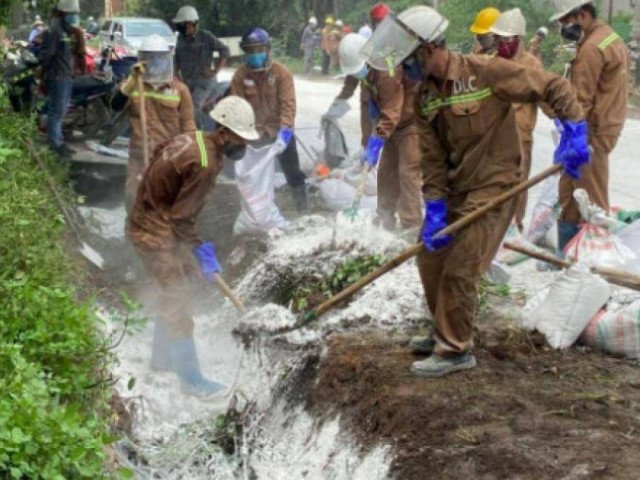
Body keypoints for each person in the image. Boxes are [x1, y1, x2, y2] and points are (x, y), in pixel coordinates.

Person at [363, 6, 587, 377]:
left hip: (495, 184)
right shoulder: (423, 98)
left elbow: (552, 87)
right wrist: (434, 205)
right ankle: (443, 329)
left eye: (407, 60)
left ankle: (456, 349)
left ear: (428, 49)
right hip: (456, 189)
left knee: (462, 264)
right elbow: (432, 160)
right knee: (430, 257)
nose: (403, 70)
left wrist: (575, 128)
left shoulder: (484, 71)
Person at [127, 96, 259, 396]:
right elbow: (182, 218)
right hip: (155, 230)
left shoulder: (195, 139)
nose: (244, 146)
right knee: (177, 298)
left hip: (151, 219)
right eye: (241, 139)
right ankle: (191, 380)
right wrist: (203, 252)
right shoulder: (205, 161)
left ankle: (162, 358)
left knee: (180, 283)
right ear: (224, 132)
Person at [549, 0, 629, 252]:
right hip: (606, 125)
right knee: (571, 194)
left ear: (582, 15)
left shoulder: (592, 49)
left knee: (592, 200)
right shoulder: (610, 38)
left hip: (590, 133)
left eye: (566, 22)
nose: (564, 28)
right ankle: (566, 259)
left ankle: (596, 265)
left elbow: (580, 100)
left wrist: (573, 137)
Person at [335, 33, 422, 230]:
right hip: (389, 128)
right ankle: (385, 221)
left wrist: (376, 142)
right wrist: (367, 144)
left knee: (407, 173)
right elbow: (367, 108)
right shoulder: (367, 75)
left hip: (411, 123)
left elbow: (391, 112)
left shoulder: (387, 71)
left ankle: (411, 226)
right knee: (386, 174)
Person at [111, 34, 196, 211]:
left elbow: (188, 125)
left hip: (168, 158)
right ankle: (132, 235)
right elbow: (115, 105)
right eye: (150, 58)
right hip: (138, 156)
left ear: (167, 59)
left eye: (159, 58)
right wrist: (132, 81)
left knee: (165, 201)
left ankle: (162, 236)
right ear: (142, 59)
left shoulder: (179, 90)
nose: (154, 62)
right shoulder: (133, 85)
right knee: (133, 197)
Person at [231, 27, 308, 211]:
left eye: (259, 50)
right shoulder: (240, 76)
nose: (255, 54)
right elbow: (237, 108)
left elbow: (288, 105)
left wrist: (285, 131)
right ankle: (259, 211)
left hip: (280, 132)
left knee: (293, 173)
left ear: (267, 50)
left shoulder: (281, 73)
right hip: (254, 136)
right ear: (245, 52)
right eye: (250, 50)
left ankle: (302, 208)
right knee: (254, 177)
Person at [490, 8, 545, 232]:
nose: (501, 44)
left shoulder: (531, 65)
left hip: (520, 135)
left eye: (506, 39)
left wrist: (565, 121)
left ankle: (515, 227)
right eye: (498, 39)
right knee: (492, 184)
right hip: (492, 136)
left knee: (518, 185)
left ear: (519, 39)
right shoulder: (490, 63)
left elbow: (546, 95)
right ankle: (492, 228)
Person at [173, 5, 230, 129]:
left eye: (181, 25)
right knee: (179, 105)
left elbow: (225, 51)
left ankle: (197, 136)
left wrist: (215, 71)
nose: (179, 28)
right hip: (187, 83)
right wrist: (176, 76)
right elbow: (176, 58)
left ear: (190, 24)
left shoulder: (205, 36)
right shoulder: (180, 39)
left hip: (204, 83)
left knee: (193, 106)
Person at [37, 0, 82, 157]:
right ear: (63, 12)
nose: (74, 16)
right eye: (72, 14)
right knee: (56, 112)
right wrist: (43, 73)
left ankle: (59, 141)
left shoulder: (66, 29)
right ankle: (55, 145)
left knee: (61, 111)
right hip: (58, 76)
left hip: (66, 75)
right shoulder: (54, 29)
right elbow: (48, 55)